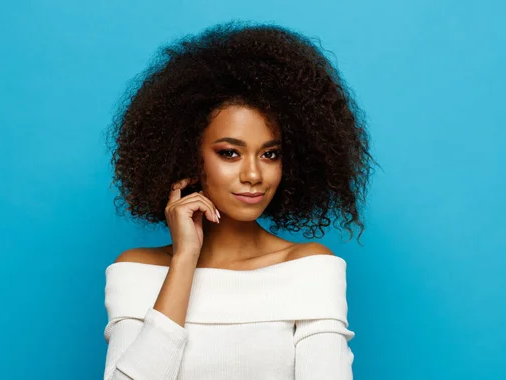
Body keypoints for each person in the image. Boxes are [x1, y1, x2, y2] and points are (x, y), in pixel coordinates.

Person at [103, 20, 376, 380]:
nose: (253, 174)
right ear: (190, 156)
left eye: (270, 154)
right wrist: (185, 260)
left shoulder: (309, 268)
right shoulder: (137, 272)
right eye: (230, 153)